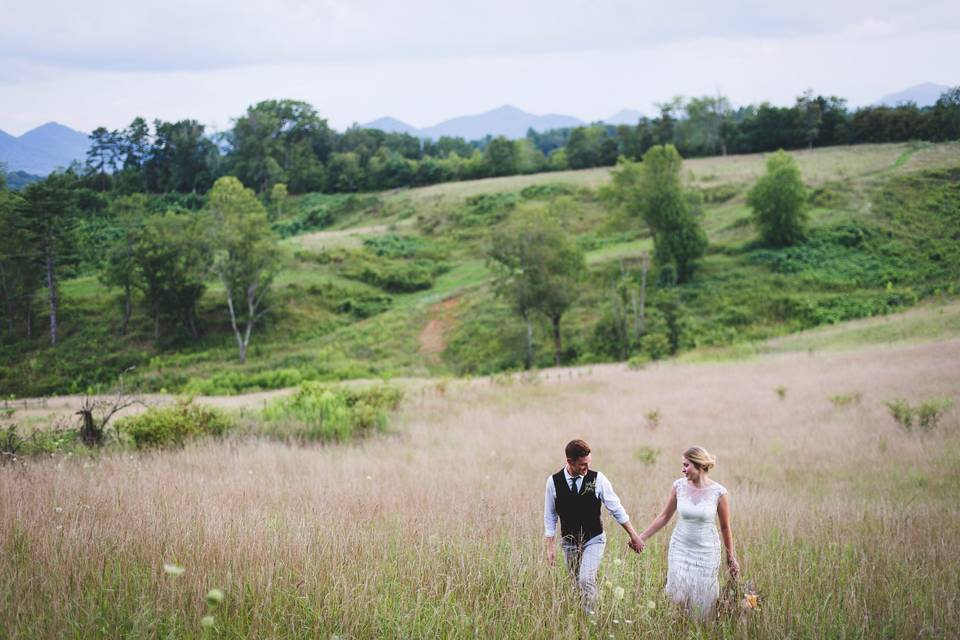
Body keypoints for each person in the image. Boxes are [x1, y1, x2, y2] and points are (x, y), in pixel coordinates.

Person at [631, 446, 739, 620]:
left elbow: (726, 527)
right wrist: (641, 537)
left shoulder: (719, 492)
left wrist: (730, 557)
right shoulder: (678, 486)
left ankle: (699, 629)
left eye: (686, 465)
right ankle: (678, 626)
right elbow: (664, 516)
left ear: (699, 465)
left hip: (707, 552)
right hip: (680, 548)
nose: (683, 469)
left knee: (703, 601)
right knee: (678, 596)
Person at [544, 439, 644, 613]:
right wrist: (550, 547)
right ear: (570, 462)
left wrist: (634, 535)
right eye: (583, 465)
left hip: (594, 539)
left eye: (588, 463)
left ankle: (593, 619)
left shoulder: (598, 479)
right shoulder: (553, 482)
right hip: (569, 542)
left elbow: (616, 508)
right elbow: (550, 515)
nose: (587, 468)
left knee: (586, 580)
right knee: (576, 585)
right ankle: (581, 617)